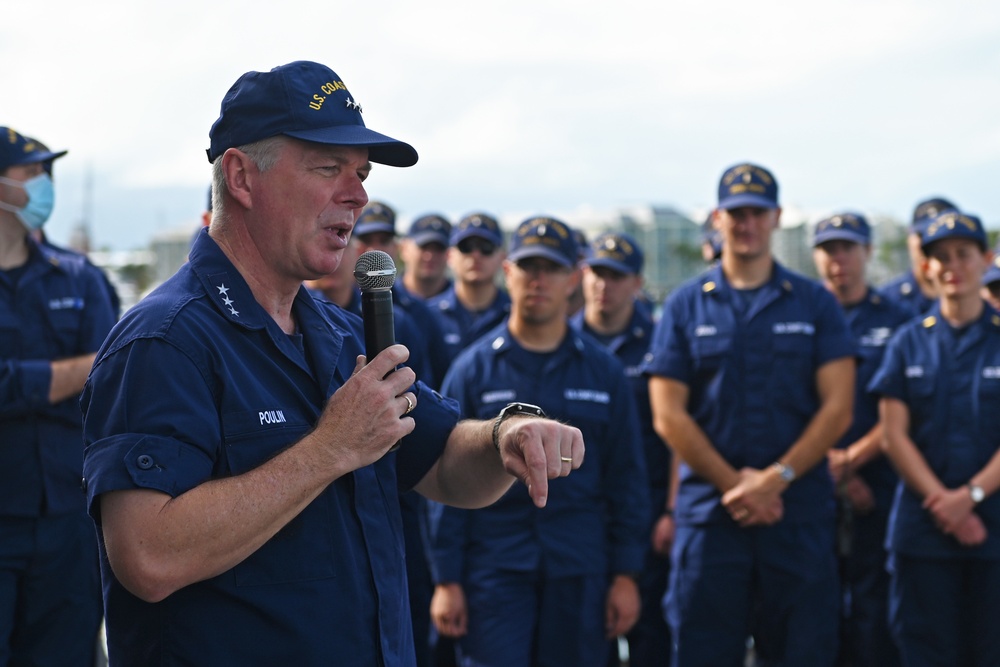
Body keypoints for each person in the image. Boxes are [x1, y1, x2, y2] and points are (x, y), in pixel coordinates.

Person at [80, 60, 584, 666]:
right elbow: (148, 556)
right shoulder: (164, 341)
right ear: (241, 177)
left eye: (362, 174)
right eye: (328, 168)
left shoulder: (341, 335)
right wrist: (329, 450)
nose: (359, 195)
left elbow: (446, 463)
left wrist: (505, 435)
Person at [644, 162, 856, 666]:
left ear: (776, 217)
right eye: (736, 213)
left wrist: (777, 480)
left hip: (796, 512)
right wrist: (738, 486)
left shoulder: (814, 304)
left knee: (803, 651)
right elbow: (668, 415)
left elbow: (839, 407)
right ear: (717, 218)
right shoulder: (685, 306)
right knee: (702, 651)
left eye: (757, 213)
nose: (747, 224)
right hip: (712, 517)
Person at [429, 216, 650, 667]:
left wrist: (626, 575)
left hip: (580, 568)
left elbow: (626, 479)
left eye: (552, 268)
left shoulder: (603, 371)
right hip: (495, 569)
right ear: (508, 272)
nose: (539, 280)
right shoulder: (472, 370)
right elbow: (442, 482)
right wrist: (447, 580)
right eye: (529, 267)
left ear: (575, 277)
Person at [0, 127, 114, 665]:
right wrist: (71, 372)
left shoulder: (79, 276)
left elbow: (111, 373)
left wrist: (24, 380)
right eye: (32, 173)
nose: (46, 185)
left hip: (69, 522)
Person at [868, 210, 1000, 667]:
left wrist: (973, 494)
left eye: (963, 254)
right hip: (924, 531)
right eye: (940, 257)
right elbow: (893, 434)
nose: (952, 266)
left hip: (994, 527)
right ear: (925, 268)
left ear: (986, 259)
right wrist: (945, 502)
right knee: (924, 652)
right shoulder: (907, 342)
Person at [569, 232, 673, 667]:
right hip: (581, 514)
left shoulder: (659, 343)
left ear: (637, 283)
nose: (602, 286)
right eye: (596, 273)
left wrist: (671, 510)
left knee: (652, 632)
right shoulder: (563, 340)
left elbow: (675, 435)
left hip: (647, 507)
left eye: (616, 276)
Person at [811, 212, 910, 667]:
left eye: (848, 247)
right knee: (813, 606)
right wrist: (830, 467)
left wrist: (850, 462)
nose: (839, 259)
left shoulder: (898, 321)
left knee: (875, 610)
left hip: (879, 481)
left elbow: (906, 406)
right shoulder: (802, 313)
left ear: (868, 252)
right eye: (829, 249)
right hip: (808, 482)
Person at [354, 201, 451, 387]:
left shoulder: (415, 313)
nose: (374, 249)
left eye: (384, 241)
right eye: (366, 240)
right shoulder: (335, 307)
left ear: (396, 247)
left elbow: (432, 382)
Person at [426, 212, 510, 368]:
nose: (476, 255)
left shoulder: (515, 317)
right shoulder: (426, 316)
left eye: (486, 248)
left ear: (502, 257)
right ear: (450, 256)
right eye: (466, 247)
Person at [878, 197, 957, 317]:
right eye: (922, 235)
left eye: (940, 238)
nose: (928, 244)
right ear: (909, 239)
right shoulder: (886, 301)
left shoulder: (986, 295)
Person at [400, 213, 452, 299]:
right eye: (423, 247)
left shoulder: (465, 302)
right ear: (404, 249)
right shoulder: (386, 296)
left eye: (438, 248)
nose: (430, 256)